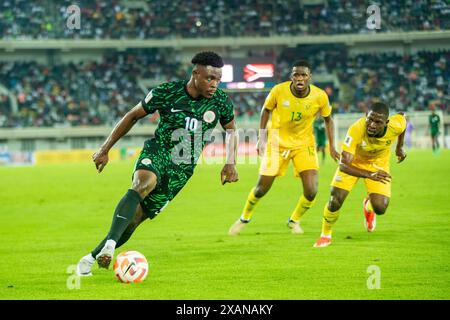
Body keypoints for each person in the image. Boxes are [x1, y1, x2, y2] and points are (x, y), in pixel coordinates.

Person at [76, 51, 239, 276]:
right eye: (209, 78)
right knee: (142, 183)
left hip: (182, 169)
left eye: (218, 80)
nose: (214, 84)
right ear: (195, 74)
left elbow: (231, 130)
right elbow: (132, 115)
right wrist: (104, 149)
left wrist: (230, 163)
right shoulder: (167, 92)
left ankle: (90, 258)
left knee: (135, 219)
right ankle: (111, 245)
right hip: (159, 151)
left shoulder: (220, 101)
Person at [228, 59, 339, 236]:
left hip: (304, 145)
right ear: (291, 77)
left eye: (303, 74)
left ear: (309, 77)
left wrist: (331, 146)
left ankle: (294, 220)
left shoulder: (320, 96)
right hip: (277, 144)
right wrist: (261, 138)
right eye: (296, 74)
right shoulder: (279, 90)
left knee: (311, 191)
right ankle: (244, 218)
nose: (300, 78)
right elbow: (266, 110)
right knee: (261, 189)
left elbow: (328, 119)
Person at [314, 102, 407, 248]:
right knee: (335, 200)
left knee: (380, 208)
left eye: (378, 122)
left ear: (386, 123)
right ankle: (325, 235)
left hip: (378, 164)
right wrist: (370, 174)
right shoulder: (356, 129)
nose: (372, 125)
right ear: (366, 116)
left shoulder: (395, 125)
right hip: (354, 163)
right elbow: (343, 165)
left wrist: (399, 148)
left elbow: (403, 119)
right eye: (370, 119)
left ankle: (368, 206)